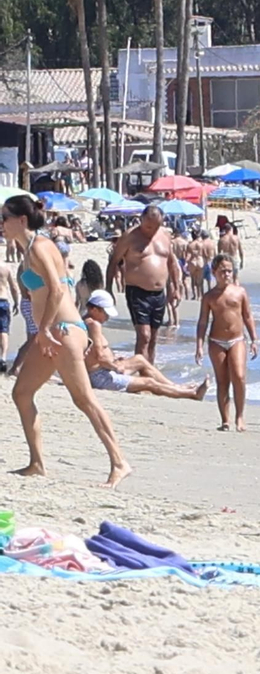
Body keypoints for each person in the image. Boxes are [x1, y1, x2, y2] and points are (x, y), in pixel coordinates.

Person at [6, 196, 131, 488]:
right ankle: (37, 463)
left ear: (21, 220)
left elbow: (58, 291)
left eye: (5, 218)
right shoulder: (28, 250)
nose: (1, 224)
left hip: (61, 331)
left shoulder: (39, 246)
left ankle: (119, 462)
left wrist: (47, 328)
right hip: (50, 333)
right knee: (21, 393)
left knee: (84, 399)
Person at [85, 290, 206, 402]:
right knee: (148, 383)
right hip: (101, 377)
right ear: (94, 309)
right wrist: (115, 367)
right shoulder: (93, 325)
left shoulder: (88, 322)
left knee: (140, 359)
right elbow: (100, 356)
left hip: (104, 370)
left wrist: (114, 359)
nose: (107, 317)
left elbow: (95, 352)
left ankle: (175, 387)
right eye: (105, 313)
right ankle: (191, 393)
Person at [108, 204, 182, 366]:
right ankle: (141, 375)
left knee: (154, 338)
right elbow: (113, 262)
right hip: (137, 291)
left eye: (156, 226)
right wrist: (108, 289)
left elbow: (172, 263)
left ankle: (150, 371)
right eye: (148, 226)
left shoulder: (164, 236)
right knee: (144, 336)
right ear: (141, 220)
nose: (151, 230)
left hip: (159, 294)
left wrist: (176, 287)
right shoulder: (129, 237)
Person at [194, 254, 259, 432]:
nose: (226, 274)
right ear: (214, 272)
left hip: (237, 339)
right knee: (223, 381)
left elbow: (247, 316)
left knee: (239, 376)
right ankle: (225, 420)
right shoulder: (209, 296)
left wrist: (254, 339)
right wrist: (199, 345)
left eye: (229, 271)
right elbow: (202, 322)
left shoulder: (240, 292)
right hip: (216, 341)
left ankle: (240, 417)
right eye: (222, 271)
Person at [0, 258, 17, 372]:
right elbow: (13, 287)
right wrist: (16, 301)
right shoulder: (5, 267)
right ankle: (3, 357)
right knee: (3, 331)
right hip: (3, 300)